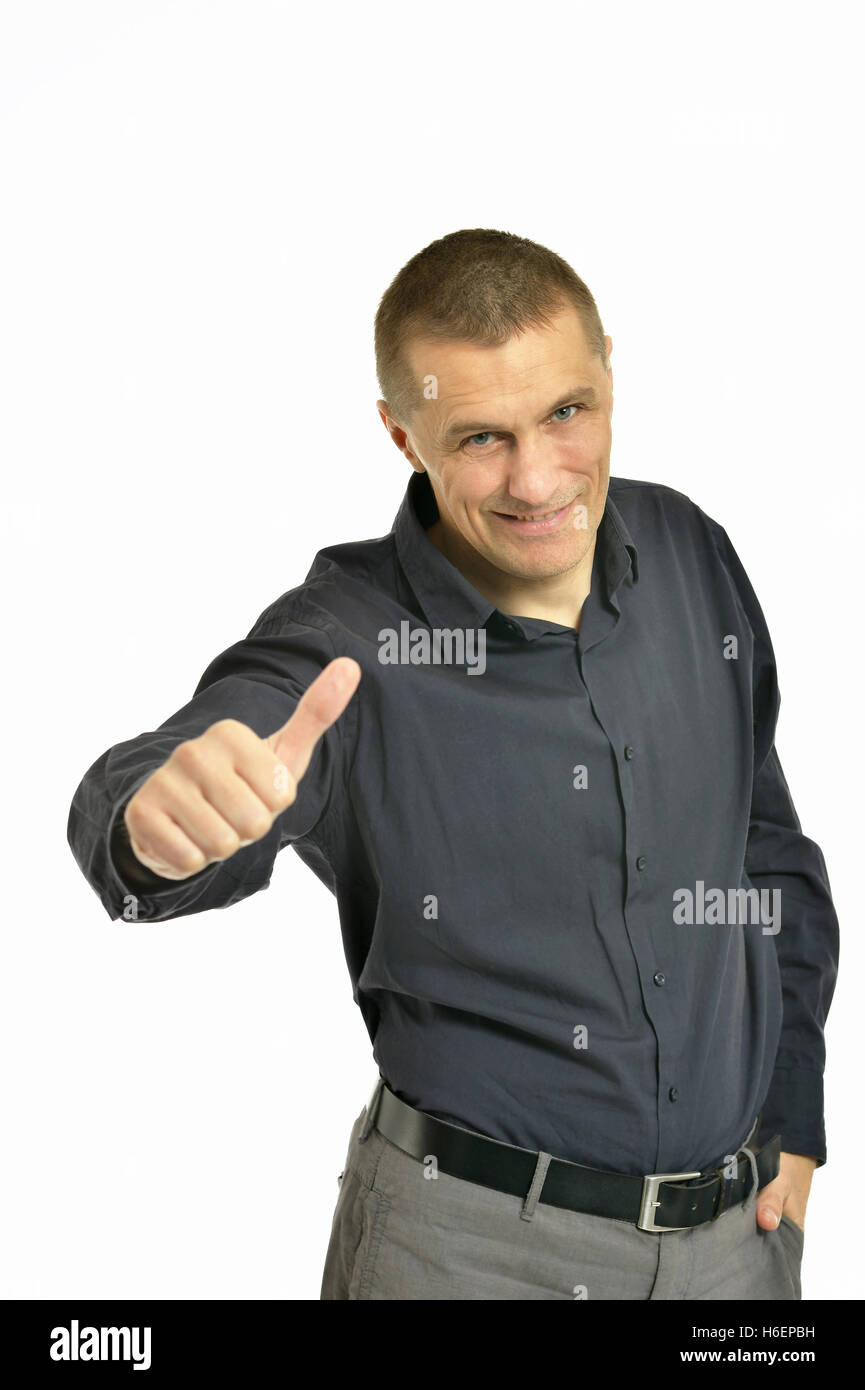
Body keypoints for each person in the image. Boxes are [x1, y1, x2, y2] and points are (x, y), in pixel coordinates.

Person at [67, 228, 839, 1300]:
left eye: (566, 411)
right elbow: (196, 762)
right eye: (480, 436)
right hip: (471, 1259)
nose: (536, 479)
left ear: (608, 369)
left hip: (735, 1251)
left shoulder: (687, 550)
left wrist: (794, 1111)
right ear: (402, 434)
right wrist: (150, 822)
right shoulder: (343, 636)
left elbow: (766, 856)